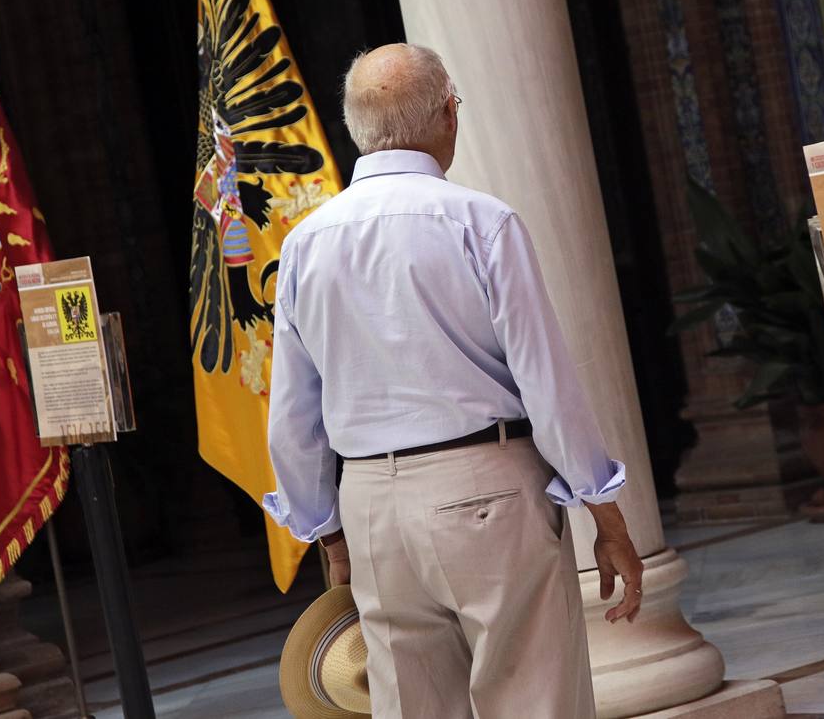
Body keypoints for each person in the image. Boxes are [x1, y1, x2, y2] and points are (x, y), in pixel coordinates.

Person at [263, 43, 643, 719]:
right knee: (534, 701)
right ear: (447, 114)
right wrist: (604, 511)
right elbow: (548, 385)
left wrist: (329, 531)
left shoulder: (304, 243)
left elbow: (292, 416)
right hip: (486, 490)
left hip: (372, 504)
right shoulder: (481, 221)